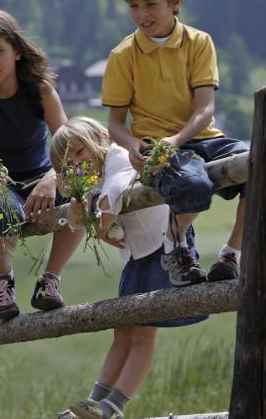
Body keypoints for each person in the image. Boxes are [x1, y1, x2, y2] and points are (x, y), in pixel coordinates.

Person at [102, 0, 248, 287]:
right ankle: (177, 246)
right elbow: (115, 125)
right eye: (134, 6)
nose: (142, 14)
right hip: (157, 146)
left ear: (175, 1)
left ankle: (231, 253)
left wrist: (178, 139)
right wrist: (134, 144)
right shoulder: (123, 56)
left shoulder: (199, 43)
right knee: (194, 184)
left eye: (150, 4)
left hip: (202, 136)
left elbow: (205, 110)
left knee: (262, 167)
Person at [51, 117, 207, 419]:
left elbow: (118, 190)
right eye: (68, 161)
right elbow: (81, 219)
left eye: (80, 151)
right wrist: (79, 206)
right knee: (122, 331)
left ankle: (114, 406)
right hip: (139, 255)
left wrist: (101, 221)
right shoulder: (94, 176)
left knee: (143, 334)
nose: (77, 162)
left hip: (162, 245)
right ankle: (94, 401)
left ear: (100, 139)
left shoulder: (119, 157)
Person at [0, 6, 84, 320]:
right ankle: (2, 279)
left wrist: (53, 177)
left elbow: (68, 144)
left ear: (16, 52)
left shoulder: (40, 91)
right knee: (2, 208)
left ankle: (50, 280)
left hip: (44, 176)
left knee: (83, 191)